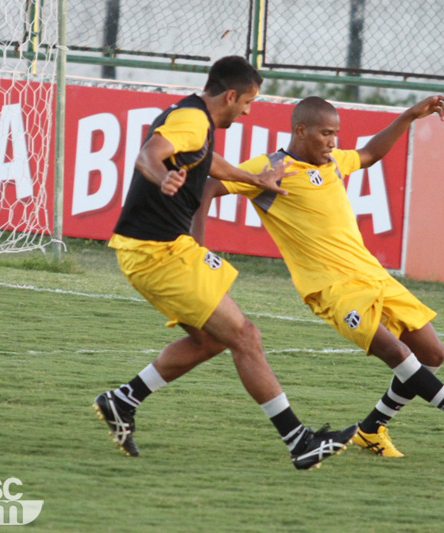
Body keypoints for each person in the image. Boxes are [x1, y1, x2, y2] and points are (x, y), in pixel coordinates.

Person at [93, 57, 357, 470]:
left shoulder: (193, 117)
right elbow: (147, 155)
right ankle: (299, 442)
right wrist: (162, 175)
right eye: (248, 102)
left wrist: (254, 179)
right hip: (155, 253)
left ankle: (123, 400)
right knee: (245, 337)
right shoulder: (193, 120)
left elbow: (206, 160)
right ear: (231, 96)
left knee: (212, 340)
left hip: (161, 249)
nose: (248, 111)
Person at [193, 95, 444, 458]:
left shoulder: (333, 162)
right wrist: (198, 248)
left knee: (432, 352)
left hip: (373, 276)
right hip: (332, 289)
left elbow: (370, 154)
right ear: (301, 131)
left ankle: (371, 429)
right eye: (326, 134)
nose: (333, 142)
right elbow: (208, 187)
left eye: (336, 134)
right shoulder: (269, 167)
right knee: (397, 352)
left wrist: (410, 115)